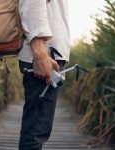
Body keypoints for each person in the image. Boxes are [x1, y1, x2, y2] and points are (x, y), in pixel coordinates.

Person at [18, 0, 70, 149]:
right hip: (45, 54)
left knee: (37, 130)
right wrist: (40, 52)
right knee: (35, 133)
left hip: (48, 53)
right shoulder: (41, 54)